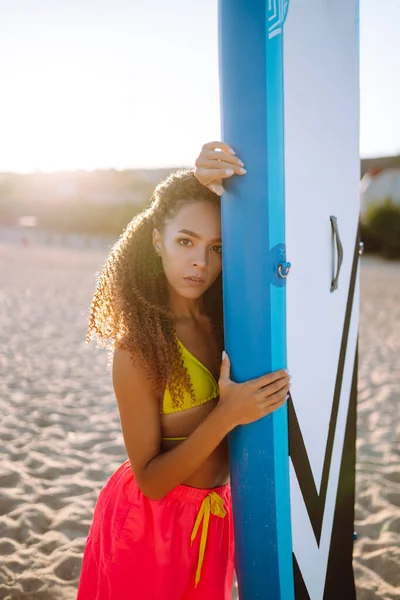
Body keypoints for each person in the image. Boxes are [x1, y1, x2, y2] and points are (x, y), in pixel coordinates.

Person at [76, 141, 291, 600]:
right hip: (148, 527)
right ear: (157, 240)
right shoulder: (138, 347)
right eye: (185, 241)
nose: (201, 262)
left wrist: (212, 181)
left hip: (214, 518)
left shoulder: (225, 321)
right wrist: (227, 415)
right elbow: (151, 481)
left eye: (217, 247)